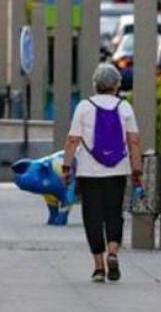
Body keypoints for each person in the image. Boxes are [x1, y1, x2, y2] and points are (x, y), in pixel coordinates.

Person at [62, 63, 142, 283]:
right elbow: (134, 141)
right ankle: (113, 253)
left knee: (92, 217)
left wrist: (66, 167)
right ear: (117, 85)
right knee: (114, 213)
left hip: (89, 171)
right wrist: (137, 170)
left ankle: (98, 267)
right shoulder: (124, 108)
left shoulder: (84, 107)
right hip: (117, 170)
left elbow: (72, 140)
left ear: (95, 84)